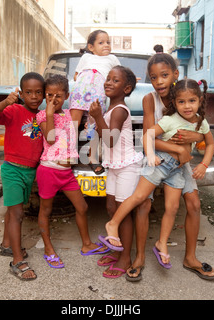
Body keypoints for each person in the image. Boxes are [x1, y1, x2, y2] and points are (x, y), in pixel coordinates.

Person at [104, 54, 214, 281]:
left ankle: (190, 257)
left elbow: (203, 136)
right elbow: (149, 138)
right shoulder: (149, 99)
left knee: (193, 202)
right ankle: (139, 258)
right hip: (157, 156)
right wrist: (179, 149)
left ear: (176, 74)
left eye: (164, 75)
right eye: (154, 77)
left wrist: (194, 139)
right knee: (143, 202)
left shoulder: (187, 95)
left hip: (181, 162)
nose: (159, 82)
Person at [35, 74, 109, 269]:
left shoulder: (69, 115)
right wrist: (50, 114)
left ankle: (86, 245)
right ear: (44, 96)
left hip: (67, 172)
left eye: (58, 95)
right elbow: (50, 139)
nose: (53, 100)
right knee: (46, 210)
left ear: (66, 95)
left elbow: (85, 117)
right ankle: (48, 249)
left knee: (82, 207)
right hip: (49, 170)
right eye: (49, 95)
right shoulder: (42, 115)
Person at [0, 72, 45, 281]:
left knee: (13, 210)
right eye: (28, 92)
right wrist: (4, 102)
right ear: (21, 93)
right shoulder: (14, 110)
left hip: (30, 172)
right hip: (12, 169)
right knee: (18, 213)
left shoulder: (42, 117)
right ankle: (17, 260)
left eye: (39, 92)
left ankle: (6, 246)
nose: (34, 96)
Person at [89, 66, 144, 279]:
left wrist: (97, 117)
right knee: (111, 207)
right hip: (114, 166)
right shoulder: (111, 109)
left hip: (128, 167)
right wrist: (95, 118)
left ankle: (125, 258)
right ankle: (116, 249)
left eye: (116, 80)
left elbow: (110, 139)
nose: (109, 82)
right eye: (108, 78)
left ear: (127, 88)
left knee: (123, 213)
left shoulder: (120, 109)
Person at [69, 29, 121, 175]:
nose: (106, 45)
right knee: (73, 122)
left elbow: (121, 74)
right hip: (80, 89)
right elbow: (76, 75)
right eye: (101, 42)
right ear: (91, 47)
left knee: (94, 123)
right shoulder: (86, 57)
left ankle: (92, 157)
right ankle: (69, 153)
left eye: (108, 42)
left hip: (98, 92)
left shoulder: (112, 58)